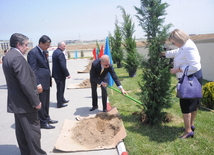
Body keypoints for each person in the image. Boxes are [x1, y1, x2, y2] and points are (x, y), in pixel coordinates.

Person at [2, 33, 46, 155]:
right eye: (26, 45)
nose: (27, 47)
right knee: (33, 132)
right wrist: (36, 102)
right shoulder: (17, 58)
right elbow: (25, 83)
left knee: (22, 133)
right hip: (26, 104)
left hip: (17, 103)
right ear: (18, 44)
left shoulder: (7, 56)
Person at [161, 29, 203, 139]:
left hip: (190, 78)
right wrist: (165, 54)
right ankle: (190, 124)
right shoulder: (185, 44)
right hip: (194, 77)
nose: (173, 45)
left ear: (179, 39)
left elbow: (194, 66)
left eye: (174, 43)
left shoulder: (189, 47)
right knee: (194, 103)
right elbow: (178, 51)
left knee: (186, 105)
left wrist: (178, 69)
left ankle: (187, 131)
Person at [27, 35, 58, 129]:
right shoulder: (33, 53)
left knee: (46, 102)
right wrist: (37, 84)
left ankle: (46, 117)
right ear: (40, 43)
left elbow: (45, 67)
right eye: (46, 45)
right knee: (41, 102)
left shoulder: (43, 52)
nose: (48, 47)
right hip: (40, 83)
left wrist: (49, 79)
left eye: (49, 45)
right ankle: (42, 122)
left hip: (46, 81)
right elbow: (33, 70)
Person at [52, 41, 70, 108]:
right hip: (60, 75)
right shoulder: (60, 54)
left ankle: (62, 99)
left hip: (56, 74)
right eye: (64, 46)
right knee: (60, 89)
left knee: (61, 88)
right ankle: (59, 103)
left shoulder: (55, 52)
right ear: (60, 46)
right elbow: (63, 65)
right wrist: (67, 74)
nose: (65, 47)